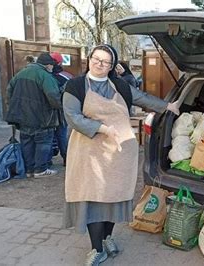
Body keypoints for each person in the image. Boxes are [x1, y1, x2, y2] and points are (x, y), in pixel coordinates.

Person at [62, 44, 180, 266]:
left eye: (106, 62)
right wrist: (103, 128)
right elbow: (72, 117)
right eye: (96, 59)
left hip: (118, 153)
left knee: (114, 196)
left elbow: (143, 98)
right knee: (94, 199)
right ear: (90, 59)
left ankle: (107, 238)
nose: (100, 64)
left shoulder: (120, 85)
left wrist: (168, 106)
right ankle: (96, 249)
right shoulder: (75, 86)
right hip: (89, 153)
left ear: (112, 66)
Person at [5, 52, 62, 178]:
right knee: (43, 142)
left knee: (27, 142)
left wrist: (14, 109)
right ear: (48, 65)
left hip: (22, 116)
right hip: (42, 117)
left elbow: (9, 93)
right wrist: (60, 106)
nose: (52, 68)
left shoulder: (20, 74)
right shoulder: (45, 76)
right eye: (52, 65)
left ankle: (29, 170)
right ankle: (40, 169)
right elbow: (53, 96)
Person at [50, 52, 74, 166]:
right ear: (60, 62)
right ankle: (66, 158)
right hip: (62, 109)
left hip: (47, 110)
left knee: (48, 135)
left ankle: (47, 159)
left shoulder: (45, 75)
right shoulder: (67, 76)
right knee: (61, 134)